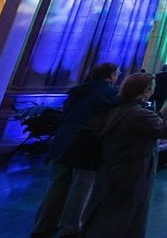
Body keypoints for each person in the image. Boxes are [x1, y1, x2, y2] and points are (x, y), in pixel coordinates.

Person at [81, 73, 167, 238]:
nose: (152, 92)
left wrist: (163, 114)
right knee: (126, 213)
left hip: (115, 167)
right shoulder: (139, 114)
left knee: (111, 209)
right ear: (145, 91)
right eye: (151, 89)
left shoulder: (119, 109)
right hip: (132, 169)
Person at [31, 63, 120, 238]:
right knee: (81, 186)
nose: (117, 78)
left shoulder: (80, 90)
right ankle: (71, 228)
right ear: (111, 76)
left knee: (57, 185)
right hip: (84, 144)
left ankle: (43, 225)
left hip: (62, 141)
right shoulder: (108, 92)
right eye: (116, 75)